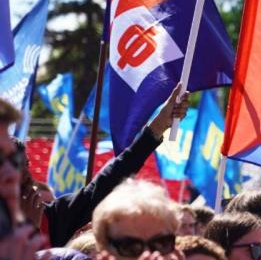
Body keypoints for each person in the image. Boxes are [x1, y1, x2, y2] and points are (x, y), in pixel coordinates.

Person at [17, 83, 189, 247]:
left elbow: (108, 180)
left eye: (27, 164)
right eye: (15, 163)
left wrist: (158, 126)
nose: (25, 173)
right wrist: (28, 228)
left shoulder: (55, 217)